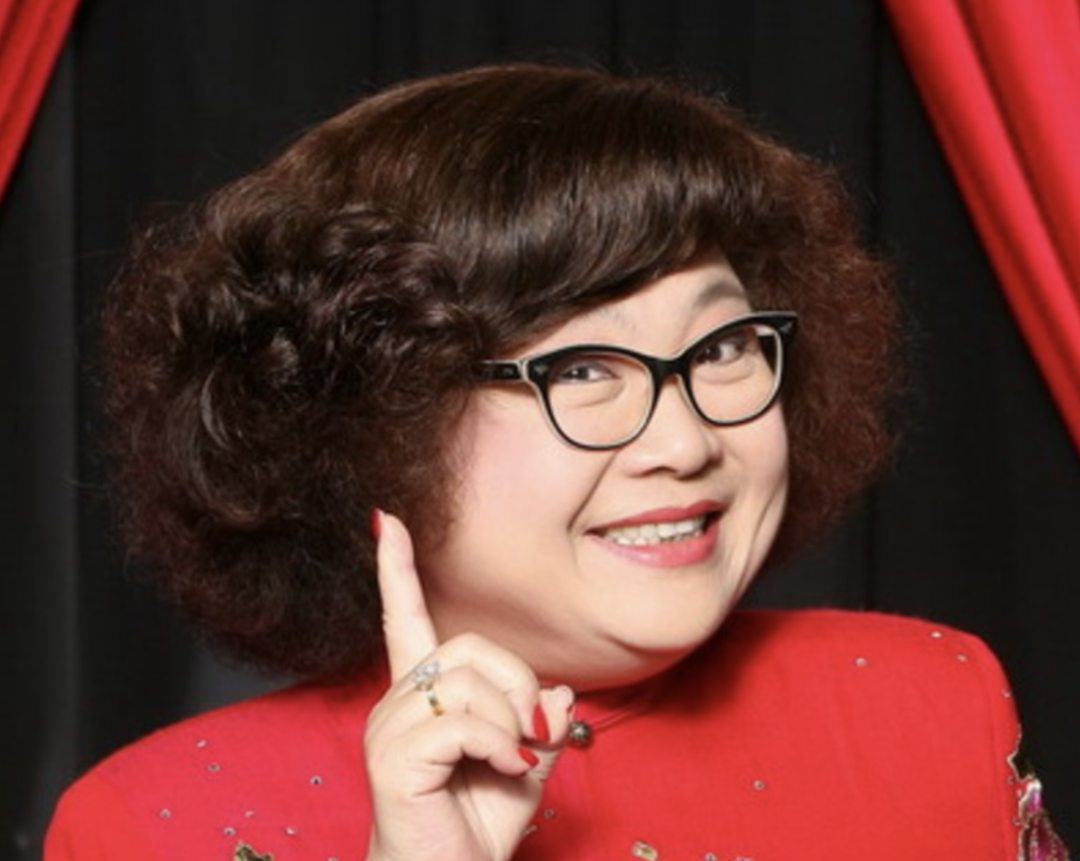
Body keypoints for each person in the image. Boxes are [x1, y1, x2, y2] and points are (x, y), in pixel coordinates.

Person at [45, 63, 1068, 861]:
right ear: (365, 421)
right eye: (580, 369)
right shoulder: (152, 824)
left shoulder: (936, 699)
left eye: (721, 348)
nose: (685, 444)